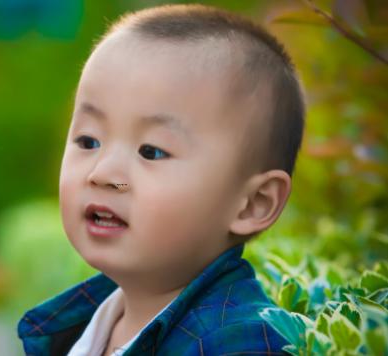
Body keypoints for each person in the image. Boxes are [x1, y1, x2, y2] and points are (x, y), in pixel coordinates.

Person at [18, 3, 305, 355]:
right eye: (88, 141)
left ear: (252, 204)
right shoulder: (79, 326)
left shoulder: (236, 344)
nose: (103, 174)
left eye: (150, 151)